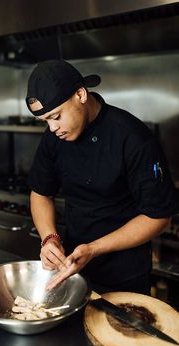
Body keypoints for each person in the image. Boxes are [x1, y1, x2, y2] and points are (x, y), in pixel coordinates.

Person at [25, 59, 178, 294]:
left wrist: (93, 249)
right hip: (72, 267)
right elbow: (40, 192)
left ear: (80, 94)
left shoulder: (133, 137)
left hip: (125, 274)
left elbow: (158, 217)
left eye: (56, 117)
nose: (52, 128)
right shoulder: (54, 137)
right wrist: (49, 238)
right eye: (45, 121)